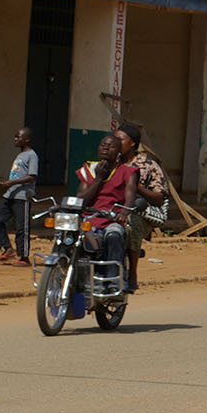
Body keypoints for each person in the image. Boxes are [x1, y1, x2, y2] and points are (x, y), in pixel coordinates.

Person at [76, 134, 137, 289]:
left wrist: (124, 212)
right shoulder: (88, 170)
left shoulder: (127, 172)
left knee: (114, 235)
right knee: (70, 238)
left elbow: (130, 197)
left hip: (112, 219)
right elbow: (81, 200)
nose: (105, 148)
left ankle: (113, 281)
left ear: (118, 153)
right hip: (89, 218)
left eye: (111, 146)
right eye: (103, 145)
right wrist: (98, 179)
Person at [113, 122, 167, 292]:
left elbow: (159, 197)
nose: (115, 143)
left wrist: (137, 187)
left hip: (140, 212)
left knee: (131, 225)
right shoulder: (110, 162)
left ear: (132, 143)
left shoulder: (148, 165)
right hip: (111, 209)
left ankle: (133, 275)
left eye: (120, 139)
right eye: (113, 139)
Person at [0, 126, 37, 265]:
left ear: (27, 139)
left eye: (18, 137)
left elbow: (32, 176)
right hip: (10, 194)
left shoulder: (32, 155)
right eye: (15, 137)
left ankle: (24, 257)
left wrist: (12, 182)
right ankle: (7, 248)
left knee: (22, 228)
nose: (15, 140)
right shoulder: (20, 155)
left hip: (22, 196)